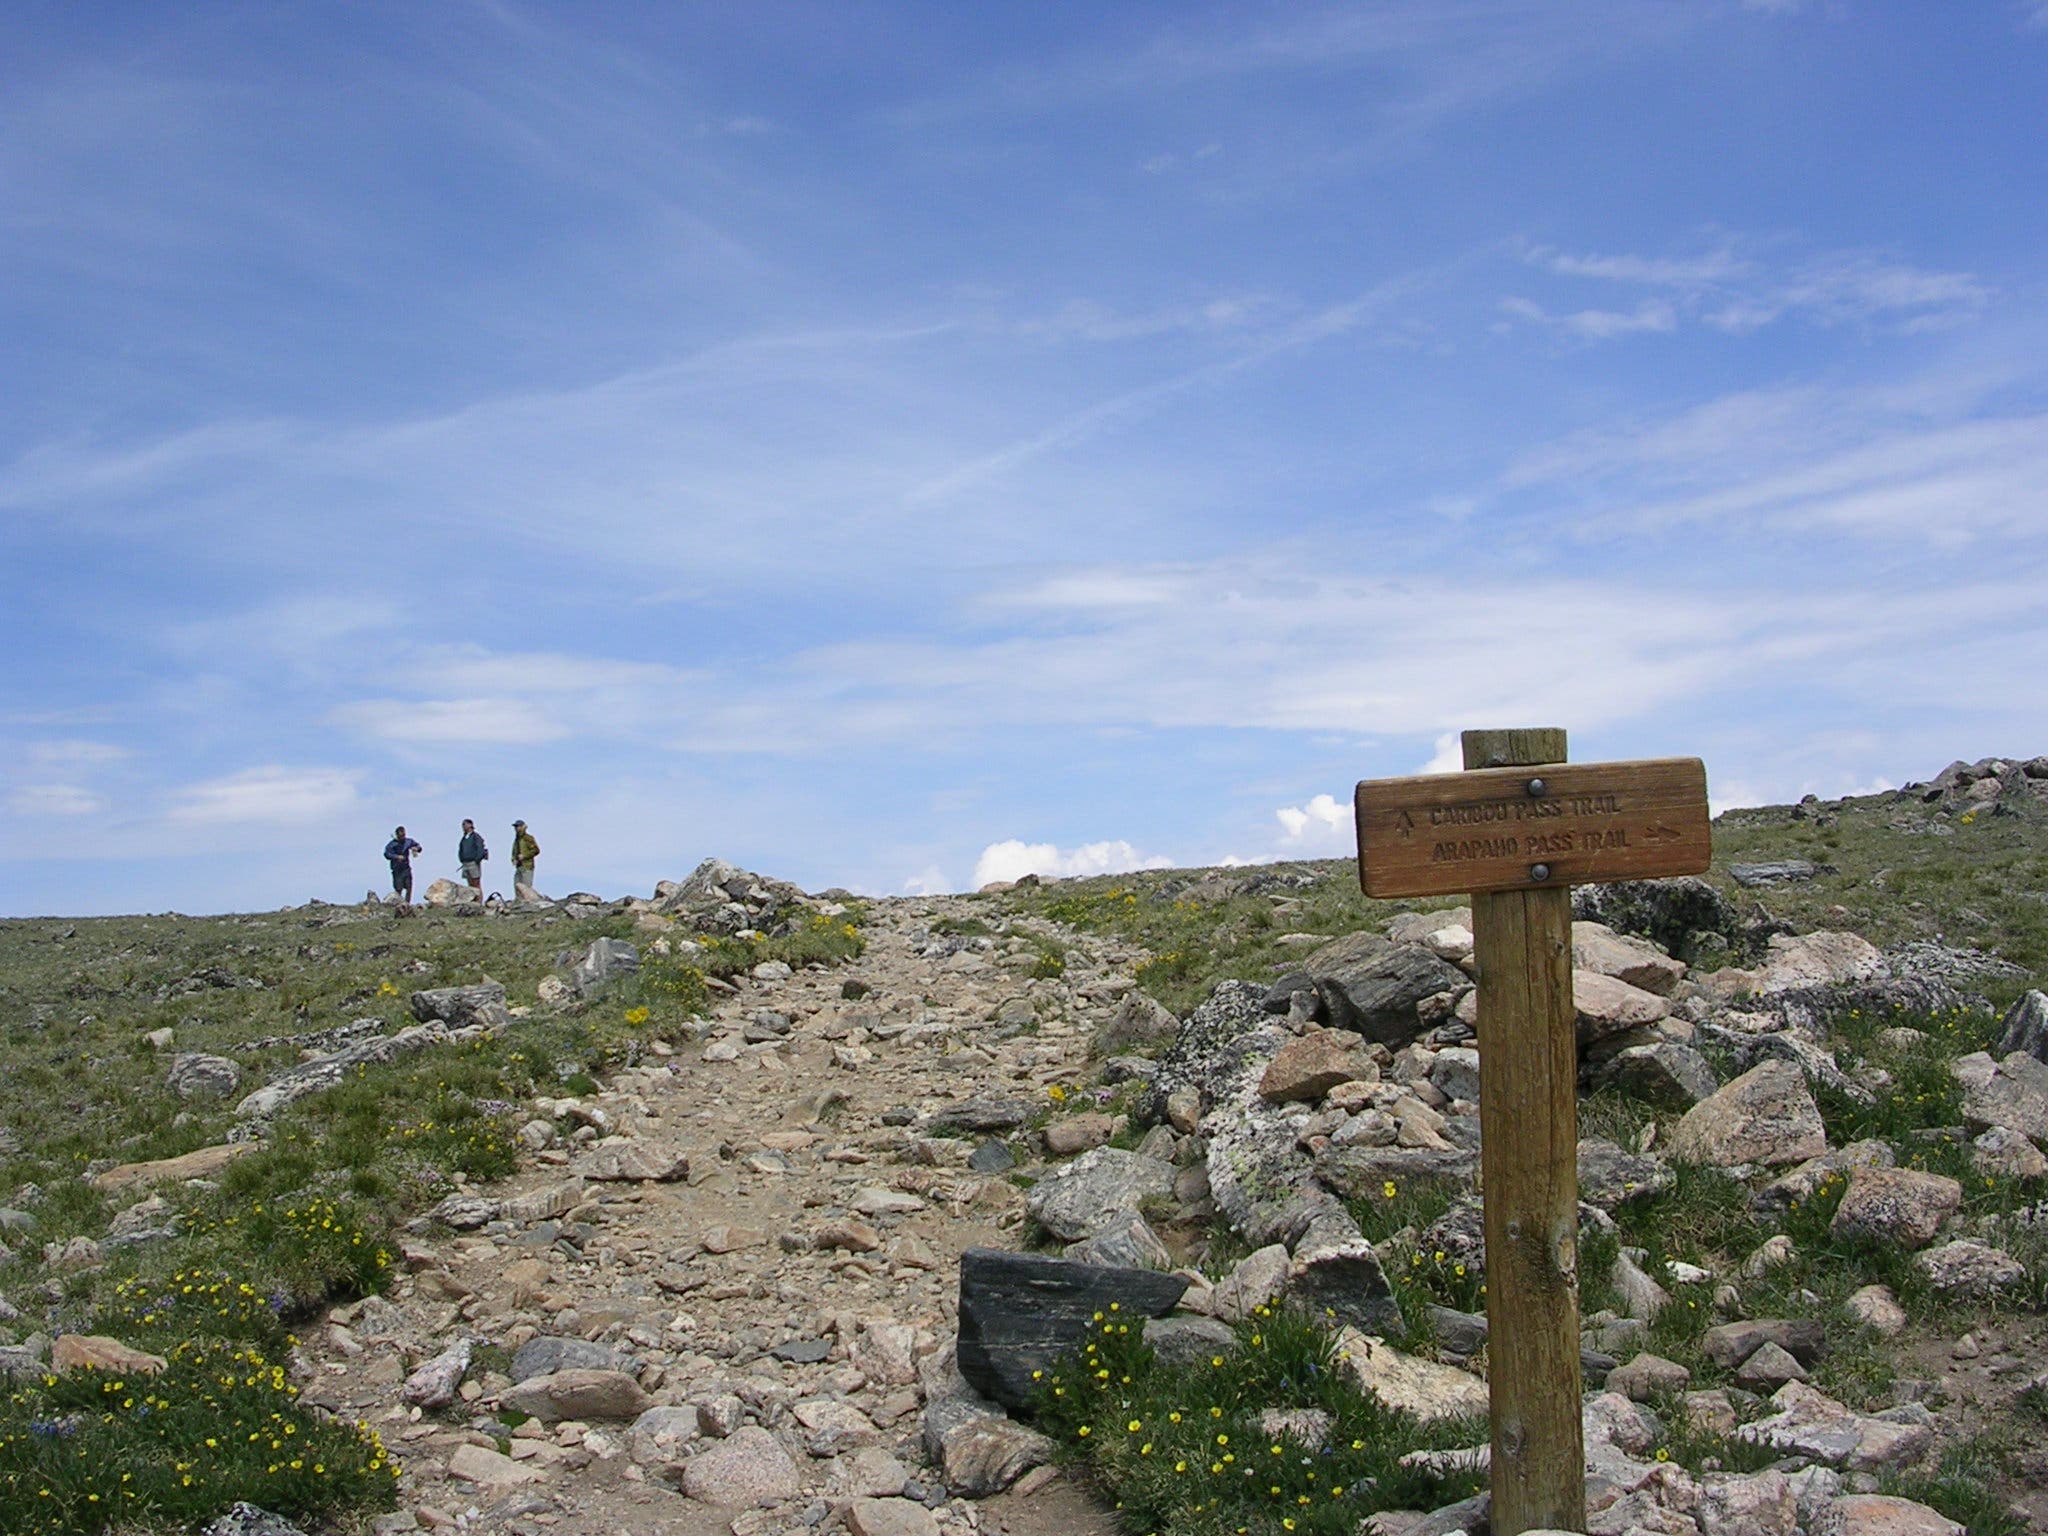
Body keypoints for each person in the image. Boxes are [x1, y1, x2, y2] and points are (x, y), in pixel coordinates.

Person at [383, 826, 423, 904]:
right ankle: (398, 904)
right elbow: (386, 854)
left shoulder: (408, 841)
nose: (403, 837)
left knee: (409, 886)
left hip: (406, 868)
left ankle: (407, 904)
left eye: (404, 835)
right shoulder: (392, 844)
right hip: (397, 869)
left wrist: (416, 848)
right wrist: (396, 857)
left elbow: (419, 847)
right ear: (397, 835)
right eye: (401, 836)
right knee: (398, 888)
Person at [458, 818, 488, 895]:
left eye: (464, 824)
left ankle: (478, 901)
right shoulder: (464, 838)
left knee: (476, 883)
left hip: (473, 862)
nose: (463, 826)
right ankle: (473, 900)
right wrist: (461, 859)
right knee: (470, 883)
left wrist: (477, 859)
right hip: (465, 863)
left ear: (470, 825)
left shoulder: (476, 836)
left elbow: (480, 848)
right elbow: (461, 849)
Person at [511, 818, 539, 893]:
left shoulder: (528, 838)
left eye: (518, 826)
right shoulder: (516, 840)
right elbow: (514, 851)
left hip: (527, 866)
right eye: (515, 827)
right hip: (519, 866)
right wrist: (513, 859)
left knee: (527, 888)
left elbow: (536, 850)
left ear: (523, 827)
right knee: (517, 886)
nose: (516, 828)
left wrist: (524, 856)